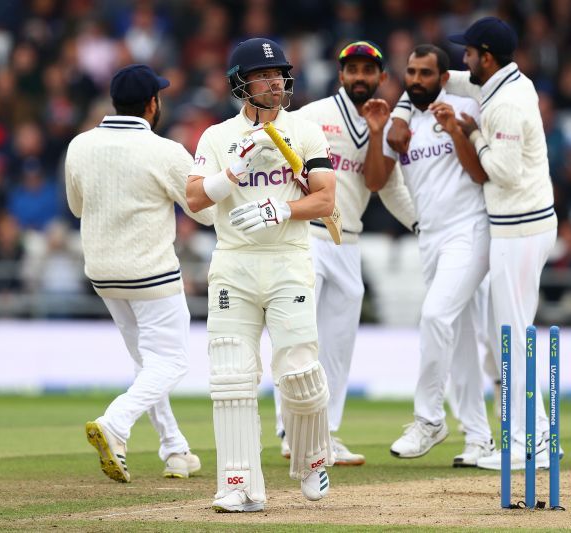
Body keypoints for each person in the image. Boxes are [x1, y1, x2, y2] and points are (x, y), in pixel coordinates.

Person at [388, 17, 559, 471]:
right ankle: (536, 438)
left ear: (486, 56)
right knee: (510, 333)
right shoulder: (499, 83)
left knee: (514, 334)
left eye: (468, 53)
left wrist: (470, 131)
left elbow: (501, 172)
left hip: (521, 226)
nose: (463, 61)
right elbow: (428, 83)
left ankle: (532, 443)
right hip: (513, 226)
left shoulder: (502, 104)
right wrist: (403, 113)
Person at [185, 38, 338, 512]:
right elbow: (194, 201)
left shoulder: (306, 132)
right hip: (234, 263)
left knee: (298, 373)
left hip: (289, 259)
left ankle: (313, 461)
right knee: (232, 376)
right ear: (241, 82)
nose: (276, 82)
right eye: (264, 75)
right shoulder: (215, 138)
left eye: (280, 74)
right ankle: (238, 484)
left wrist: (281, 210)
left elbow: (326, 202)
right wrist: (231, 174)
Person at [272, 40, 418, 466]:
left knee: (338, 347)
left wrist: (423, 227)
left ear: (381, 78)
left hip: (347, 242)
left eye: (367, 71)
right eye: (351, 70)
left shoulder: (384, 125)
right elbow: (278, 152)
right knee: (299, 337)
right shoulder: (313, 116)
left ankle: (326, 433)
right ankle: (289, 429)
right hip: (308, 237)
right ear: (340, 75)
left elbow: (384, 186)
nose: (359, 77)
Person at [65, 64, 213, 482]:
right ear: (153, 104)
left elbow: (77, 207)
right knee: (172, 361)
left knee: (147, 363)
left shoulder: (79, 145)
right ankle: (115, 424)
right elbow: (205, 214)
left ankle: (175, 449)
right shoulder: (164, 150)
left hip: (102, 274)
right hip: (151, 275)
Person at [382, 44, 494, 467]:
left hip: (471, 230)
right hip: (430, 237)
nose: (415, 79)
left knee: (434, 317)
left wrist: (456, 132)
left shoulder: (464, 106)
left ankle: (428, 419)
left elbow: (480, 173)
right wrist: (381, 131)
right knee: (460, 337)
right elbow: (378, 181)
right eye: (410, 72)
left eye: (425, 73)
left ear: (443, 77)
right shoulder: (404, 119)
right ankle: (479, 438)